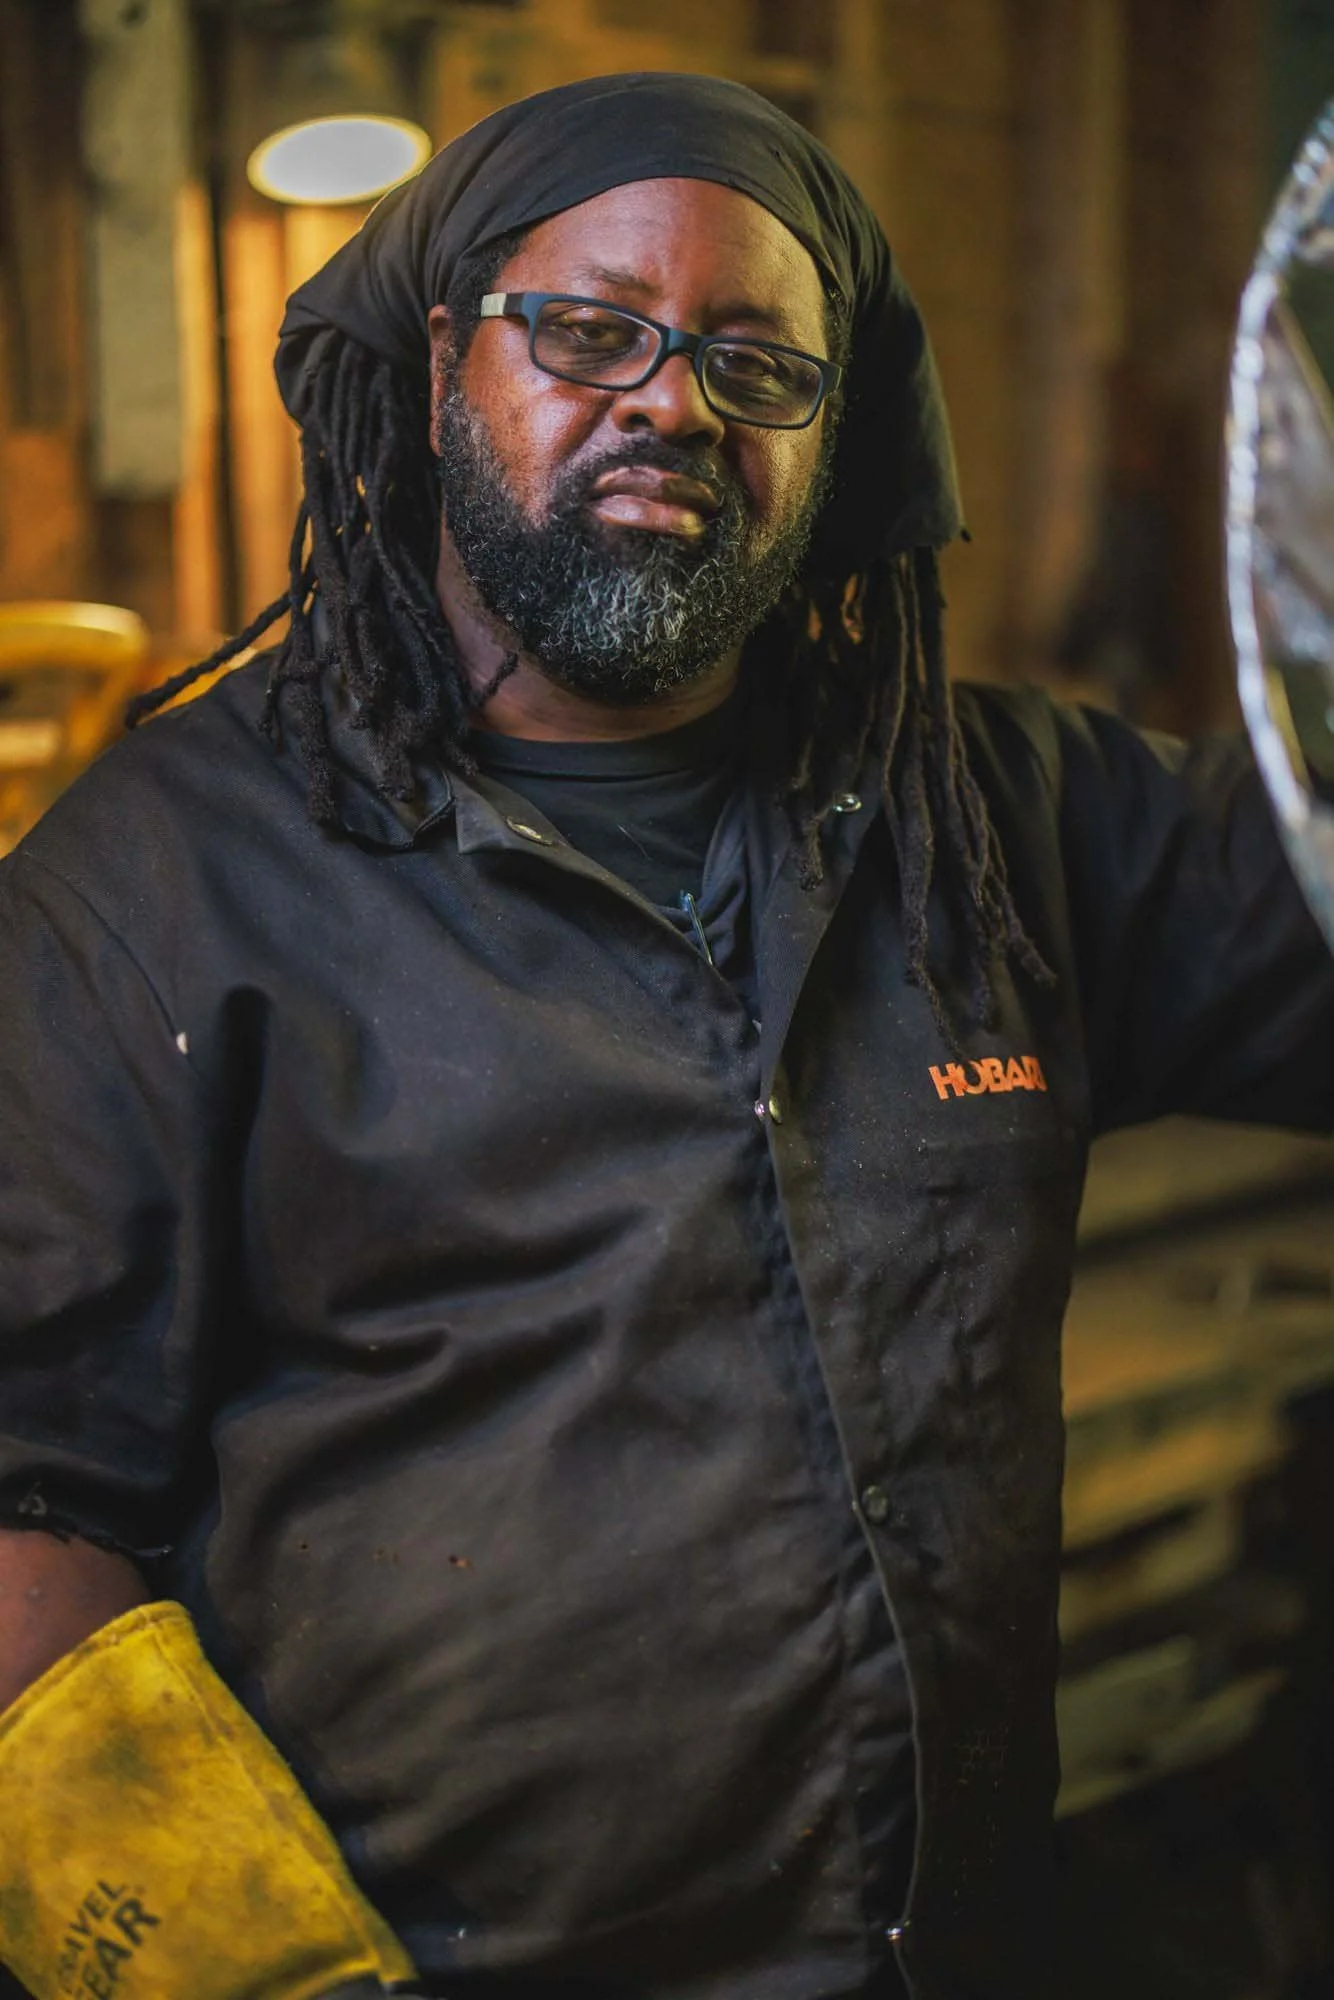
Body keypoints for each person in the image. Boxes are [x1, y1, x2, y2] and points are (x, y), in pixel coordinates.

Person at [0, 70, 1330, 2000]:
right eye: (592, 331)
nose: (671, 400)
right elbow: (27, 1490)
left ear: (835, 425)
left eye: (753, 363)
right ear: (451, 354)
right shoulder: (156, 893)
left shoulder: (1005, 830)